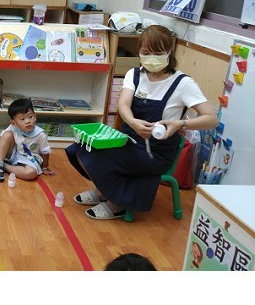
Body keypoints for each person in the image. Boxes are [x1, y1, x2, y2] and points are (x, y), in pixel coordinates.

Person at [66, 25, 219, 220]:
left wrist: (179, 125)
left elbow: (211, 119)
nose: (151, 58)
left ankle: (117, 202)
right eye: (146, 53)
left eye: (158, 53)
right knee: (82, 147)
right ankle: (104, 191)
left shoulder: (183, 83)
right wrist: (132, 122)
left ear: (169, 51)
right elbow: (123, 104)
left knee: (103, 157)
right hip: (127, 140)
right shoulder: (135, 74)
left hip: (156, 151)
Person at [0, 98, 55, 182]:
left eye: (30, 117)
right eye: (22, 119)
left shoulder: (40, 134)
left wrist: (45, 167)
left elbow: (45, 152)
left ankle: (4, 166)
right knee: (7, 135)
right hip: (14, 154)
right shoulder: (13, 127)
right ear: (13, 123)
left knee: (31, 173)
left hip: (31, 159)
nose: (28, 121)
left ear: (35, 117)